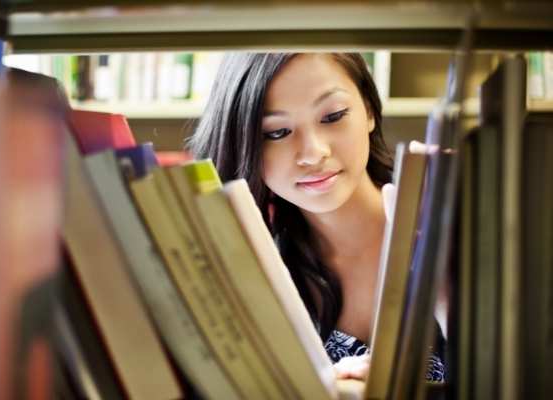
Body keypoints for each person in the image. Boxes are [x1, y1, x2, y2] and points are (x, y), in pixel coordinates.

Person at [187, 52, 445, 382]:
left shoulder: (445, 226)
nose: (313, 153)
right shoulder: (251, 275)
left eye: (333, 116)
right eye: (277, 132)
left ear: (367, 110)